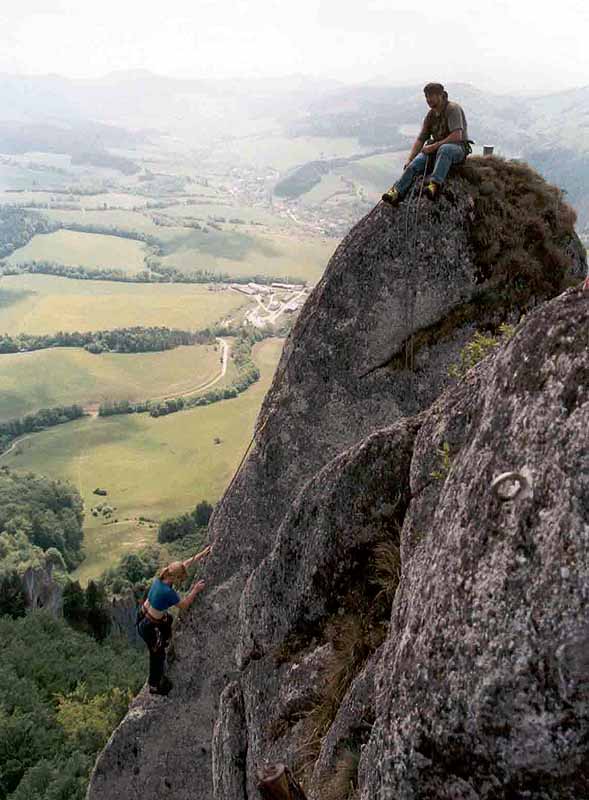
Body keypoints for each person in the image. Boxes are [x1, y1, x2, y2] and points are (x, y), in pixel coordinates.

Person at [137, 544, 212, 696]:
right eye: (180, 578)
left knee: (168, 619)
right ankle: (154, 685)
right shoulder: (167, 592)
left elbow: (184, 564)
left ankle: (164, 640)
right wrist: (195, 590)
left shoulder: (163, 576)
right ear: (174, 577)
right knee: (157, 655)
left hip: (144, 616)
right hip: (149, 627)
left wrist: (202, 554)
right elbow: (183, 605)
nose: (181, 580)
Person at [382, 82, 470, 205]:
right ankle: (396, 192)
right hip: (437, 150)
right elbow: (421, 139)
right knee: (414, 165)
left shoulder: (452, 109)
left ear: (441, 96)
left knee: (445, 149)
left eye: (431, 96)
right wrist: (410, 159)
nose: (428, 99)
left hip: (457, 149)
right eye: (427, 96)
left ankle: (434, 185)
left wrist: (434, 146)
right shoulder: (431, 115)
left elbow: (457, 136)